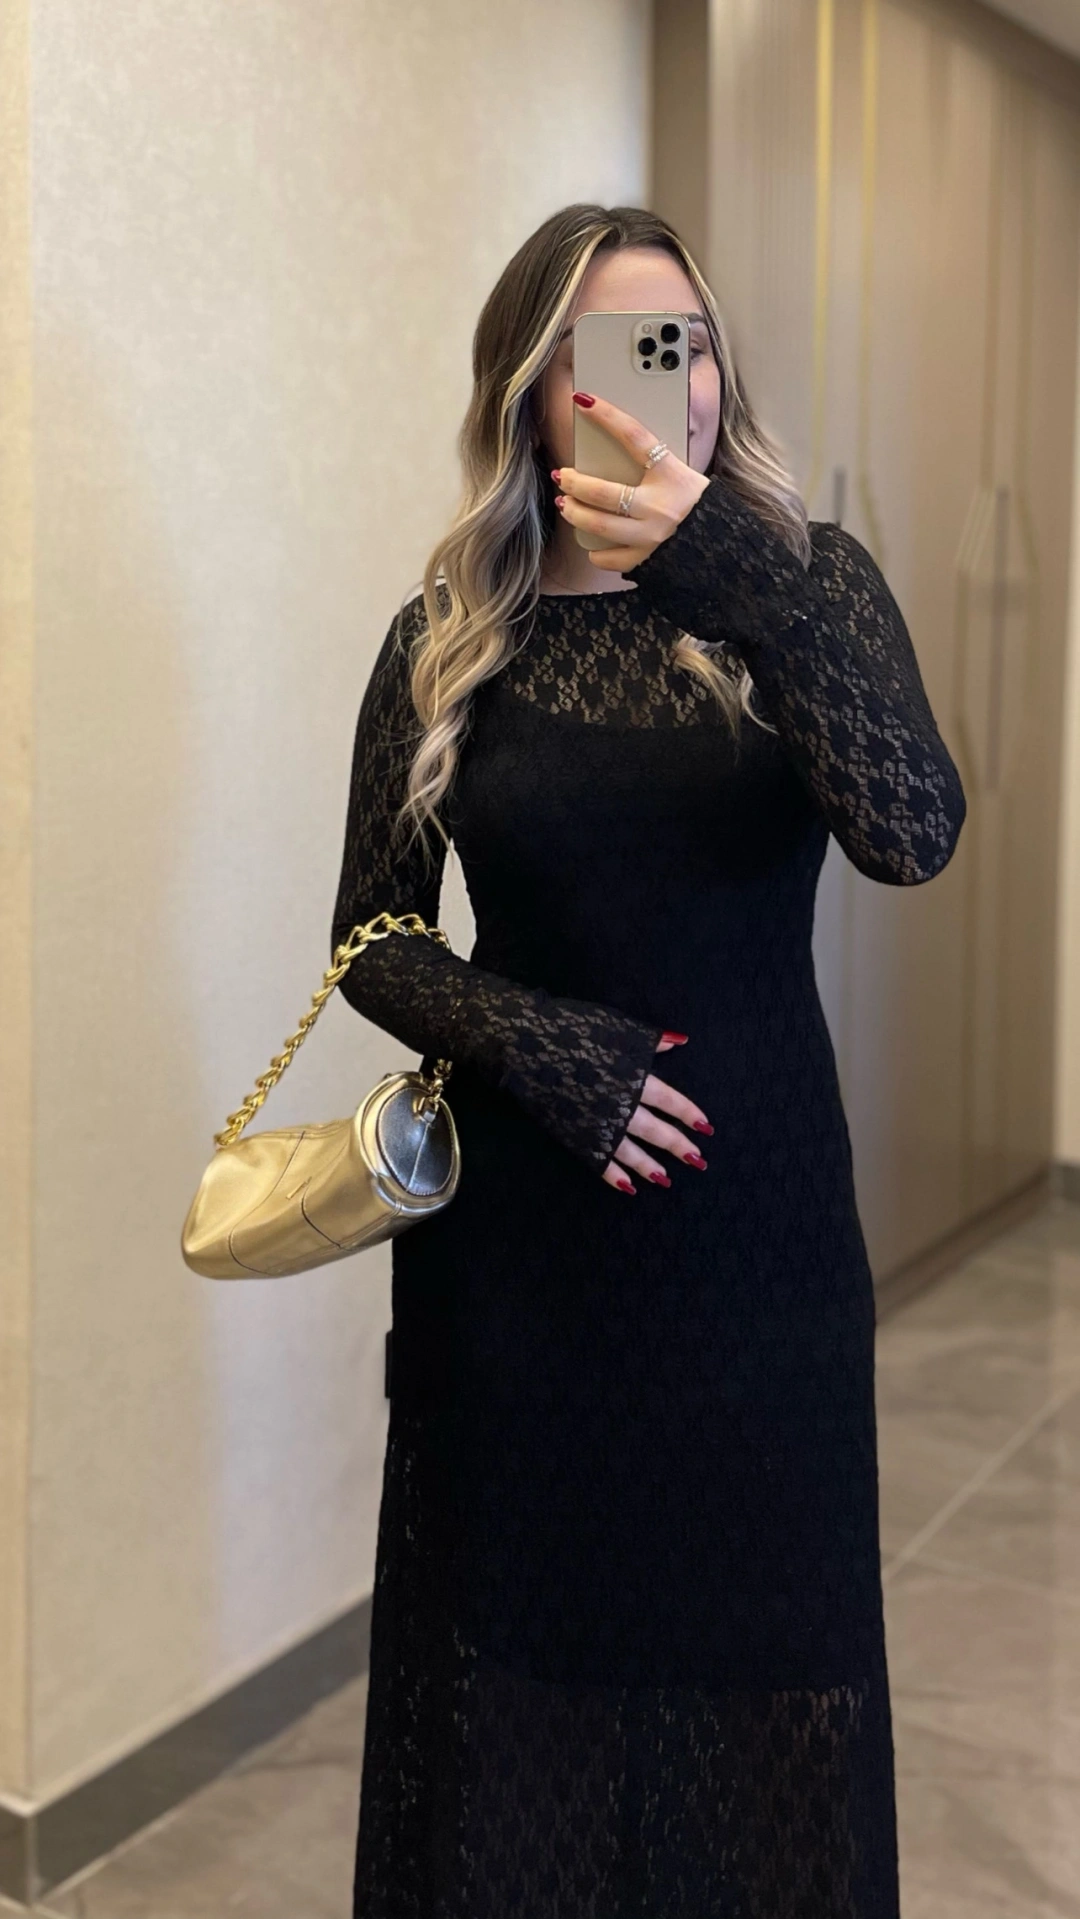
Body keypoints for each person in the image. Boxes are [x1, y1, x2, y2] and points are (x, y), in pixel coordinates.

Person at [330, 202, 966, 1918]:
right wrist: (549, 1048)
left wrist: (728, 574)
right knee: (525, 1693)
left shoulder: (809, 585)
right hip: (523, 1271)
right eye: (605, 351)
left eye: (679, 346)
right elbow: (371, 937)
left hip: (759, 1256)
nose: (653, 388)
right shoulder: (446, 635)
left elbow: (915, 831)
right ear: (531, 389)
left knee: (770, 1696)